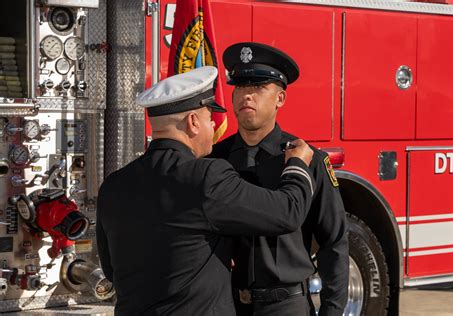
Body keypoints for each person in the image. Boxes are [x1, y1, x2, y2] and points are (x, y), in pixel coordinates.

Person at [96, 66, 318, 315]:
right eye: (209, 118)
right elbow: (288, 212)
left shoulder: (113, 186)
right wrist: (297, 165)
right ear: (193, 123)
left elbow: (112, 270)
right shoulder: (206, 177)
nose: (213, 126)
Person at [210, 43, 349, 316]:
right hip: (228, 305)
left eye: (259, 87)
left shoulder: (306, 160)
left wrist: (332, 311)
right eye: (240, 86)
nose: (246, 95)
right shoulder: (215, 160)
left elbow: (334, 241)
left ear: (280, 99)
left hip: (286, 306)